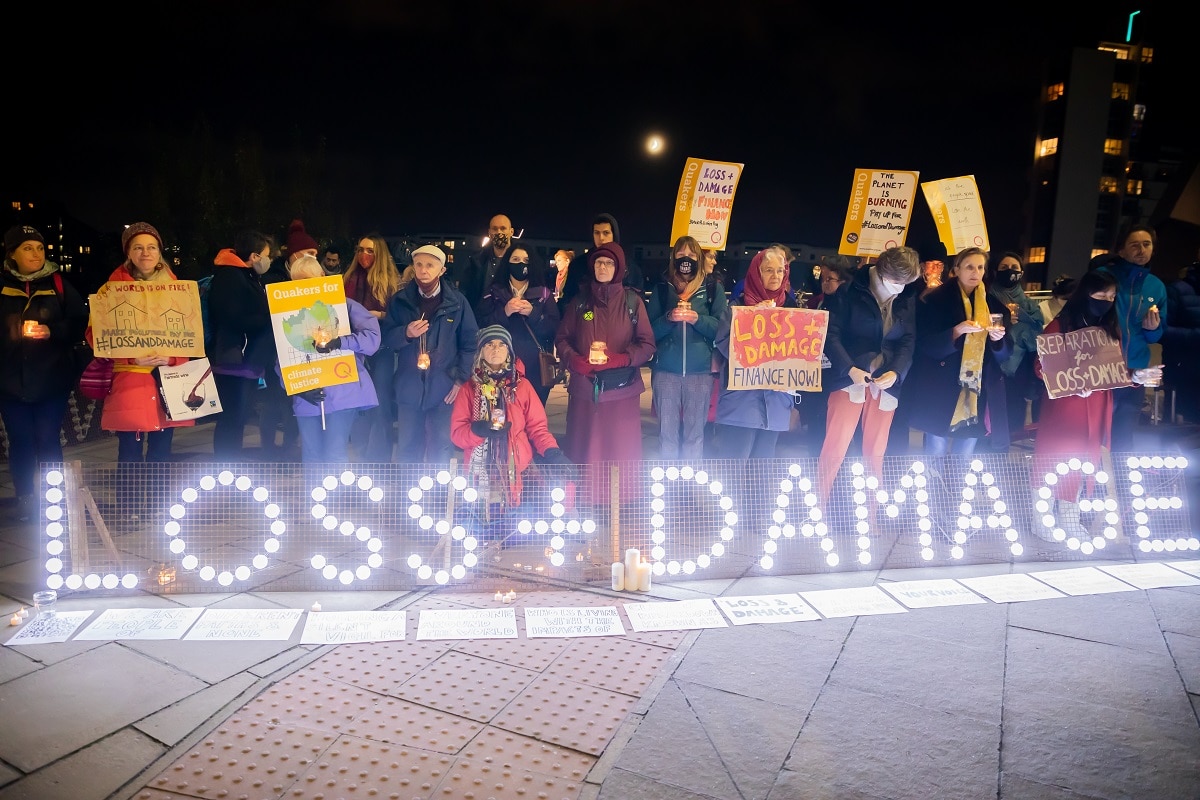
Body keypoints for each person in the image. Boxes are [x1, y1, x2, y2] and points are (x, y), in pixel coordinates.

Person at [1029, 269, 1159, 542]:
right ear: (1086, 294)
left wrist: (1136, 376)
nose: (1107, 300)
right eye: (1101, 294)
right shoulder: (1060, 325)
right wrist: (1071, 381)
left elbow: (1115, 369)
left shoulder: (1109, 330)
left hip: (1097, 404)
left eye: (1112, 296)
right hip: (1065, 408)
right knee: (1052, 462)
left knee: (1084, 462)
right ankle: (1041, 517)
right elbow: (1041, 365)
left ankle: (1070, 517)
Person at [92, 222, 195, 520]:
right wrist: (133, 356)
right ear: (128, 253)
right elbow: (95, 334)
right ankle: (130, 508)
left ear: (160, 251)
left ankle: (160, 507)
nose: (145, 252)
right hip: (131, 382)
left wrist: (172, 358)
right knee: (130, 450)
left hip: (168, 381)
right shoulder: (111, 290)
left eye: (151, 246)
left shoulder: (178, 289)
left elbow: (190, 335)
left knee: (163, 449)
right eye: (138, 247)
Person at [817, 246, 921, 510]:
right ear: (884, 273)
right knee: (835, 448)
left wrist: (896, 371)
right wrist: (849, 368)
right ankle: (819, 508)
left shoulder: (906, 295)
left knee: (875, 453)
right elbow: (831, 334)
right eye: (898, 282)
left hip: (886, 383)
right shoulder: (850, 289)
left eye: (907, 283)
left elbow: (908, 340)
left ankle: (871, 515)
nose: (901, 288)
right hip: (850, 378)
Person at [555, 242, 655, 504]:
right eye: (599, 262)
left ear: (618, 268)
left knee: (620, 449)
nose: (603, 267)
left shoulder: (633, 302)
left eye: (609, 263)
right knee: (585, 446)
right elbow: (562, 339)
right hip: (586, 391)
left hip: (622, 390)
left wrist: (623, 359)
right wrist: (574, 361)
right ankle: (583, 500)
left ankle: (621, 502)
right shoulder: (579, 302)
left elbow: (647, 344)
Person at [0, 225, 88, 522]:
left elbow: (79, 322)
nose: (36, 254)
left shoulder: (58, 283)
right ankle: (26, 498)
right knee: (21, 440)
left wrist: (52, 330)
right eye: (27, 248)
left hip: (52, 378)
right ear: (12, 254)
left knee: (48, 438)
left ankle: (54, 498)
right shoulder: (1, 284)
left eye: (39, 248)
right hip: (10, 381)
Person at [902, 246, 1013, 458]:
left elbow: (1005, 354)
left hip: (976, 388)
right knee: (936, 448)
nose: (975, 272)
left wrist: (998, 342)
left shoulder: (994, 306)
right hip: (941, 384)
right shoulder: (934, 300)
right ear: (956, 269)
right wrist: (955, 332)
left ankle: (959, 489)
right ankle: (934, 490)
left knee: (966, 451)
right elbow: (924, 344)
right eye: (969, 267)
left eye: (980, 267)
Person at [450, 325, 570, 520]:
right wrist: (477, 431)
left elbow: (538, 428)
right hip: (480, 474)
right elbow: (457, 435)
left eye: (501, 344)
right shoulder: (468, 389)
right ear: (481, 351)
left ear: (509, 352)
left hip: (518, 470)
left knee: (517, 527)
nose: (496, 349)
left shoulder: (522, 387)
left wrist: (553, 453)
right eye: (489, 344)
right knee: (479, 527)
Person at [381, 244, 478, 464]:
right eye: (419, 264)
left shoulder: (457, 303)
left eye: (430, 265)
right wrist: (405, 333)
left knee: (441, 449)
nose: (424, 270)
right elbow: (386, 338)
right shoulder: (400, 301)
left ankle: (439, 497)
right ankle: (409, 495)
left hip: (444, 388)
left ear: (442, 270)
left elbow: (470, 343)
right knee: (407, 448)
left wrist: (459, 379)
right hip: (409, 387)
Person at [282, 256, 380, 473]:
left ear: (322, 277)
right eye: (298, 283)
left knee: (335, 452)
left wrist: (341, 342)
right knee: (311, 454)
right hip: (307, 392)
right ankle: (315, 504)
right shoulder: (286, 312)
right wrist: (295, 387)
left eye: (309, 281)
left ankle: (334, 504)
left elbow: (372, 339)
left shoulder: (344, 305)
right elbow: (281, 356)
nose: (305, 288)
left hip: (342, 391)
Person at [646, 235, 727, 460]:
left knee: (695, 436)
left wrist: (697, 319)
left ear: (699, 258)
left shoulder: (712, 288)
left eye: (692, 255)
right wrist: (669, 317)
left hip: (699, 373)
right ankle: (667, 487)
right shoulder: (662, 289)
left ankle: (690, 488)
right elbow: (649, 332)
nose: (686, 259)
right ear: (674, 258)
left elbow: (721, 328)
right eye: (681, 254)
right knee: (667, 435)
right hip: (666, 373)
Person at [711, 246, 796, 459]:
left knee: (762, 471)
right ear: (757, 273)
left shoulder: (793, 308)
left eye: (780, 270)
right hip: (741, 403)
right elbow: (723, 343)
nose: (775, 276)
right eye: (768, 270)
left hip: (775, 403)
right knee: (732, 467)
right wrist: (754, 319)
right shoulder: (737, 306)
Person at [1095, 224, 1167, 453]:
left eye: (1147, 244)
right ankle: (1091, 487)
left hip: (1135, 371)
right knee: (1096, 437)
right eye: (1134, 245)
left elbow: (1156, 334)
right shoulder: (1104, 277)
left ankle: (1121, 486)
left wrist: (1153, 328)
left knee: (1123, 439)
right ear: (1121, 250)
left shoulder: (1156, 286)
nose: (1141, 250)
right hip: (1101, 371)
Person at [207, 228, 277, 460]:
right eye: (267, 255)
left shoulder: (244, 275)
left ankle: (230, 464)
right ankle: (226, 467)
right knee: (233, 416)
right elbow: (231, 317)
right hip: (233, 357)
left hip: (244, 357)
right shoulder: (230, 276)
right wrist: (269, 318)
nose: (270, 260)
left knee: (238, 415)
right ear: (255, 256)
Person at [256, 218, 320, 459]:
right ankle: (269, 449)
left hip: (303, 351)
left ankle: (290, 446)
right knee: (274, 401)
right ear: (293, 255)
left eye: (315, 253)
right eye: (308, 252)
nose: (313, 257)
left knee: (295, 403)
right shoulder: (272, 279)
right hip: (275, 350)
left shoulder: (317, 281)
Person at [343, 232, 405, 461]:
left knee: (380, 404)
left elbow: (400, 317)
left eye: (370, 250)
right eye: (360, 249)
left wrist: (379, 314)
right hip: (351, 348)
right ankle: (360, 456)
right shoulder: (347, 279)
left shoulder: (391, 283)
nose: (364, 254)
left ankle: (378, 460)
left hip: (382, 349)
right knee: (356, 404)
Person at [475, 242, 561, 407]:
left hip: (535, 369)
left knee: (532, 416)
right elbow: (480, 325)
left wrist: (533, 314)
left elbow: (553, 328)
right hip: (498, 366)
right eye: (515, 259)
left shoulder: (543, 293)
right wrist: (504, 312)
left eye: (525, 260)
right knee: (499, 414)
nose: (520, 263)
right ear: (507, 262)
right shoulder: (493, 293)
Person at [800, 255, 858, 454]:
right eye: (822, 278)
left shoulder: (848, 305)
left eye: (829, 279)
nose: (824, 283)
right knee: (815, 430)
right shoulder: (818, 302)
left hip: (837, 377)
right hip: (816, 377)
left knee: (836, 434)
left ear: (842, 280)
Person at [987, 251, 1044, 447]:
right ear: (995, 271)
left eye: (1014, 269)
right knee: (987, 418)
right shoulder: (985, 297)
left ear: (1021, 273)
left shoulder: (1029, 305)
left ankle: (1003, 460)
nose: (1009, 272)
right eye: (1004, 268)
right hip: (990, 365)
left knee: (1012, 418)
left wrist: (1022, 323)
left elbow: (1037, 335)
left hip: (1018, 370)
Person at [561, 213, 645, 309]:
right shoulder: (578, 265)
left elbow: (639, 303)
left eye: (606, 233)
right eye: (597, 233)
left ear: (614, 235)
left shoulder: (630, 267)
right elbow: (567, 299)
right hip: (587, 320)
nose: (601, 238)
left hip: (620, 321)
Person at [1162, 250, 1200, 423]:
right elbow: (1161, 332)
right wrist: (1195, 335)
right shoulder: (1177, 290)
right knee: (1182, 441)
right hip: (1184, 378)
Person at [459, 214, 515, 313]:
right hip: (480, 320)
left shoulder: (522, 260)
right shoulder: (475, 260)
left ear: (511, 232)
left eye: (503, 228)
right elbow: (464, 292)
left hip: (511, 320)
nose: (499, 232)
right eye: (495, 229)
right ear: (489, 232)